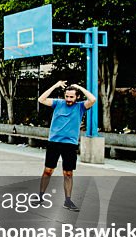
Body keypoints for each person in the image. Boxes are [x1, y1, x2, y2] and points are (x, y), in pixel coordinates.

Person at [38, 80, 96, 211]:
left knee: (68, 173)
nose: (69, 99)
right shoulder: (58, 103)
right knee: (48, 170)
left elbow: (93, 99)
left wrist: (79, 86)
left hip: (70, 144)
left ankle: (68, 201)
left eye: (71, 97)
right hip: (54, 142)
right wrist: (55, 85)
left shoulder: (80, 106)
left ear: (77, 97)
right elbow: (41, 99)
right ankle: (40, 196)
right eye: (67, 96)